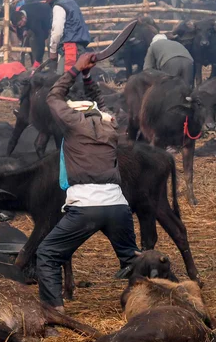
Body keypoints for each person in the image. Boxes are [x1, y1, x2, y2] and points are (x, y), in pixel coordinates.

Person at [36, 52, 139, 312]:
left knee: (47, 254)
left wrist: (74, 69)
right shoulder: (111, 126)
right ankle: (161, 299)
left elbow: (53, 97)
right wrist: (88, 77)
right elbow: (102, 106)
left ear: (76, 114)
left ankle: (54, 313)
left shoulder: (73, 124)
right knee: (132, 259)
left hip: (85, 207)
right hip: (118, 205)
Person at [40, 0, 91, 74]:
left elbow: (57, 32)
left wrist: (53, 51)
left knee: (64, 79)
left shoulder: (59, 6)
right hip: (78, 47)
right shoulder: (68, 1)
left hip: (70, 48)